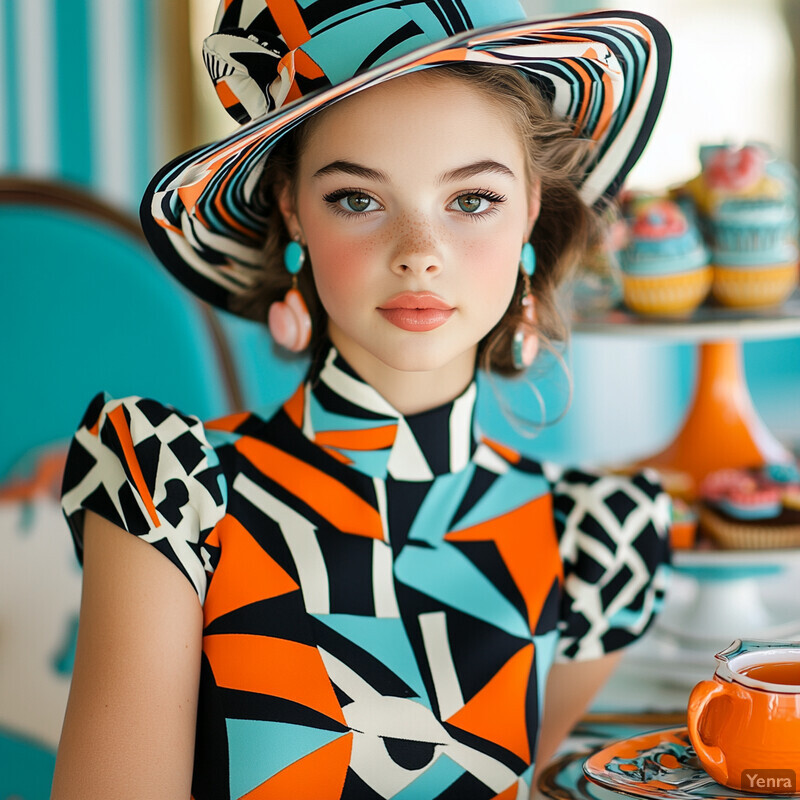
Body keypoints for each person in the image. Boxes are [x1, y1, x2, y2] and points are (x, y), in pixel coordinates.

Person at [52, 2, 673, 798]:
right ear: (292, 212)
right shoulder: (167, 485)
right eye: (357, 198)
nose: (421, 254)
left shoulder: (598, 543)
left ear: (531, 212)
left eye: (472, 199)